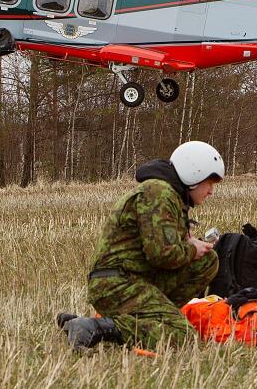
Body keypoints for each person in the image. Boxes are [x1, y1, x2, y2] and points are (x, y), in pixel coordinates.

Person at [58, 141, 224, 351]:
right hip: (117, 283)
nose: (211, 192)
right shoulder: (159, 193)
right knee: (184, 339)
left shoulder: (168, 195)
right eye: (210, 183)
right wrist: (192, 249)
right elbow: (161, 255)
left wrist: (189, 245)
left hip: (131, 279)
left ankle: (152, 320)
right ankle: (97, 327)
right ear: (194, 176)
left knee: (208, 261)